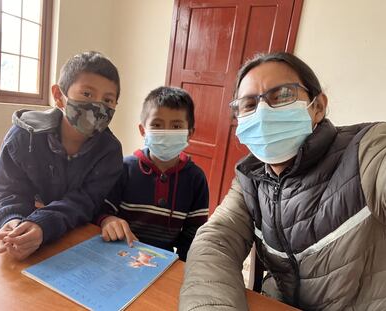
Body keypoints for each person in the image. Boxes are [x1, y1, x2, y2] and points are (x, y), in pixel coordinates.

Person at [179, 52, 386, 310]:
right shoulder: (250, 178)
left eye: (282, 95)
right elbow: (216, 241)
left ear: (318, 107)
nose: (263, 112)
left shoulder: (367, 151)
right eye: (249, 104)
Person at [0, 51, 123, 260]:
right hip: (24, 241)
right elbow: (6, 191)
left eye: (108, 100)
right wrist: (12, 220)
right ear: (59, 96)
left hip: (73, 244)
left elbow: (86, 201)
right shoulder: (24, 135)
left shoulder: (110, 151)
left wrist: (43, 224)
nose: (98, 106)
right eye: (87, 94)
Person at [96, 86, 209, 261]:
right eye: (157, 124)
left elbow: (193, 233)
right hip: (119, 253)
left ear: (189, 133)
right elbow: (102, 211)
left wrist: (183, 267)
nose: (166, 132)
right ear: (142, 130)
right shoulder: (124, 168)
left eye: (176, 125)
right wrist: (107, 220)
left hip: (161, 261)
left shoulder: (196, 178)